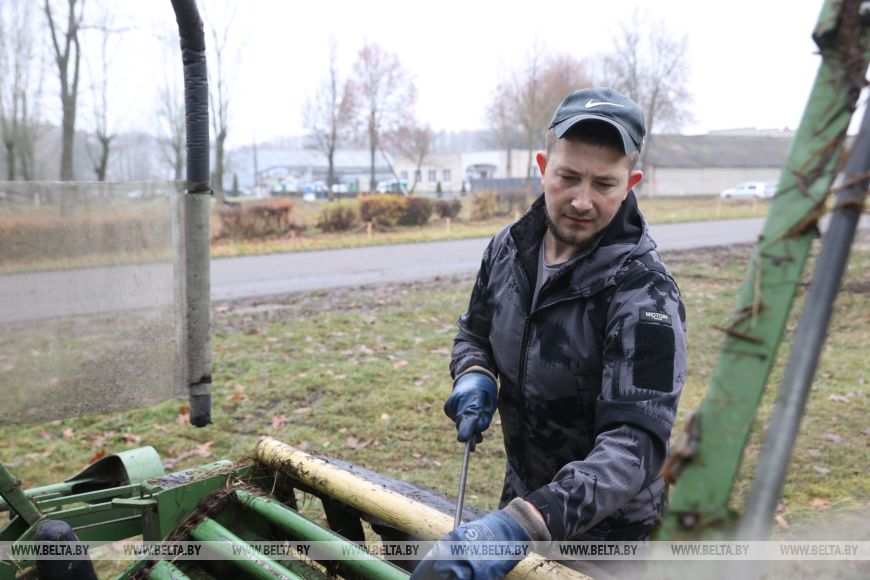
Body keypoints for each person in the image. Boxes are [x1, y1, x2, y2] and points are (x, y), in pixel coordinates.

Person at [411, 87, 687, 579]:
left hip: (610, 540)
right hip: (522, 501)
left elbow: (634, 447)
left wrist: (518, 528)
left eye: (604, 184)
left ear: (632, 182)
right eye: (567, 177)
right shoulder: (508, 249)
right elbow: (474, 332)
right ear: (543, 166)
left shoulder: (646, 294)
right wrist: (473, 374)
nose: (582, 201)